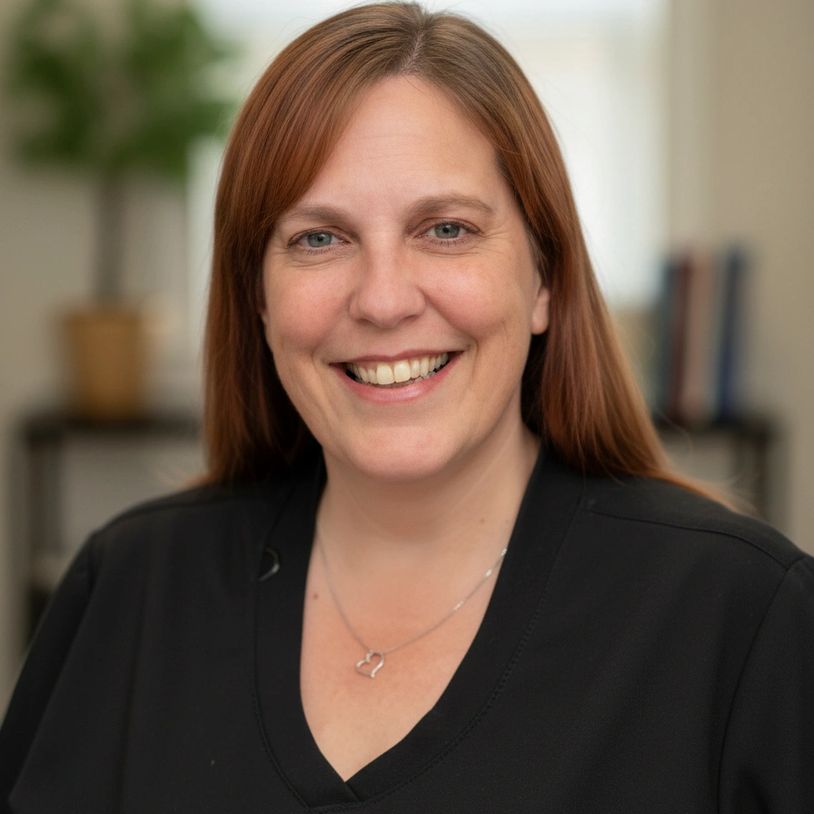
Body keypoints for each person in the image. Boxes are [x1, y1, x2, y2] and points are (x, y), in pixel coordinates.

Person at [2, 3, 813, 811]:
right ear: (256, 296)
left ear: (545, 279)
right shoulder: (130, 593)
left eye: (447, 229)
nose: (383, 300)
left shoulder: (744, 620)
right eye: (319, 238)